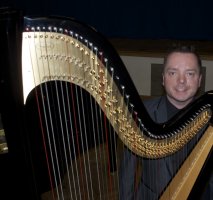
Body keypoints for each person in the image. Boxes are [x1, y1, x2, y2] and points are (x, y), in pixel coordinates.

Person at [119, 45, 213, 200]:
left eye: (189, 73)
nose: (181, 80)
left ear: (199, 80)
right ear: (163, 79)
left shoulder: (210, 116)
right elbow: (128, 171)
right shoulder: (142, 114)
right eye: (173, 73)